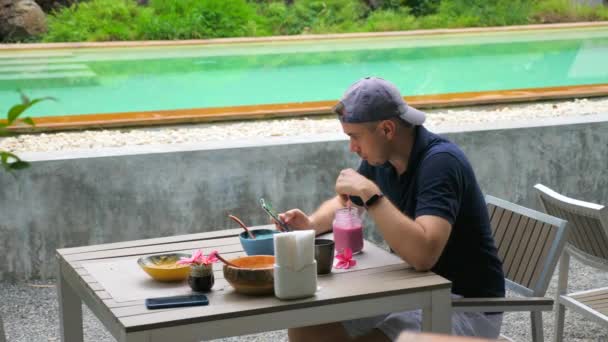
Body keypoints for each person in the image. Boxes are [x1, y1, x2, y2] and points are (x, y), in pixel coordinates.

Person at [278, 77, 505, 342]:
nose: (352, 147)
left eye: (355, 136)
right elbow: (345, 202)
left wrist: (372, 195)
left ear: (387, 129)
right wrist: (311, 224)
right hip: (411, 289)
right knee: (306, 325)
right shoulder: (382, 157)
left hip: (461, 304)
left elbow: (423, 256)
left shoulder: (441, 163)